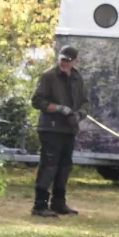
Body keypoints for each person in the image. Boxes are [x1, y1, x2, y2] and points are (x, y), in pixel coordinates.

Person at [30, 45, 88, 217]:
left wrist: (79, 114)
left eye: (68, 60)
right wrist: (58, 108)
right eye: (62, 59)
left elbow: (86, 102)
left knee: (64, 167)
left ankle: (58, 202)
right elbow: (37, 101)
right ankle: (39, 205)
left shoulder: (78, 78)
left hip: (69, 129)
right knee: (49, 166)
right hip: (50, 128)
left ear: (75, 61)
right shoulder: (49, 76)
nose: (64, 63)